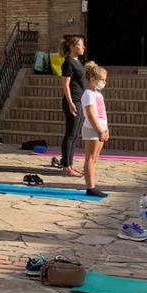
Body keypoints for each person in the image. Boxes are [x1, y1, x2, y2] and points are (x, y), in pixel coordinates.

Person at [80, 62, 109, 198]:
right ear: (92, 79)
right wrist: (100, 130)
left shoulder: (98, 94)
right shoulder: (88, 94)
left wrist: (106, 129)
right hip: (93, 130)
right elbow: (91, 115)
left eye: (104, 80)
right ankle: (90, 187)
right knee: (90, 158)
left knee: (95, 158)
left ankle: (92, 185)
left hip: (100, 129)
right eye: (101, 79)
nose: (104, 82)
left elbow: (102, 114)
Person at [58, 36, 86, 176]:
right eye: (80, 45)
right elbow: (65, 84)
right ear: (72, 47)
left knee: (74, 134)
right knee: (70, 134)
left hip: (80, 100)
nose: (83, 47)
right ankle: (66, 166)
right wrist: (70, 103)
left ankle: (70, 163)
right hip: (73, 101)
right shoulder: (68, 62)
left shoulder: (78, 61)